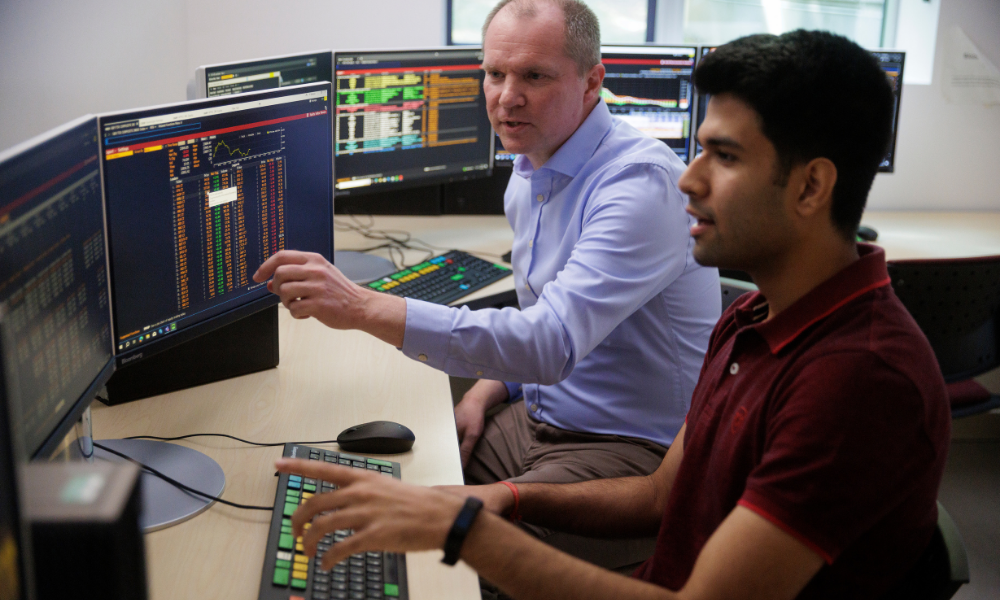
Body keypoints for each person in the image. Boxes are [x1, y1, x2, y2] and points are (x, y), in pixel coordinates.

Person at [273, 30, 951, 599]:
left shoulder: (859, 381)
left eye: (725, 157)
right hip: (632, 531)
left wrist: (465, 529)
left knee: (414, 563)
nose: (686, 179)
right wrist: (505, 500)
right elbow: (660, 498)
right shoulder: (756, 317)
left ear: (811, 186)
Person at [254, 0, 720, 500]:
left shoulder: (638, 185)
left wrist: (362, 306)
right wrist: (491, 388)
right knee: (396, 473)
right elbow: (552, 331)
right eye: (495, 73)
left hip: (631, 451)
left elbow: (551, 343)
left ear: (591, 82)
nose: (507, 97)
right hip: (541, 417)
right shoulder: (532, 171)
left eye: (535, 76)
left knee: (434, 535)